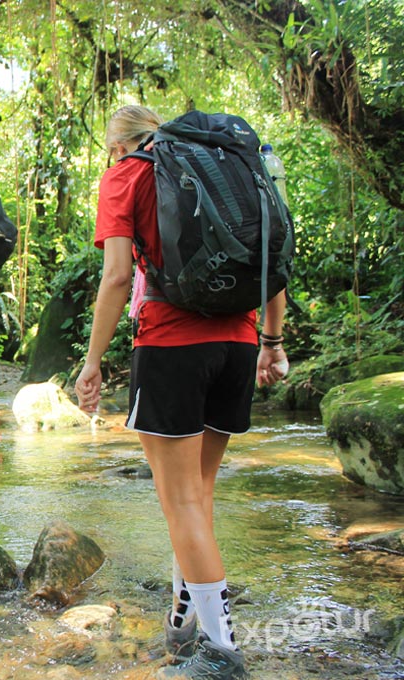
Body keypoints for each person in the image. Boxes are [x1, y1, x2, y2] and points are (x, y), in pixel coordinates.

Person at [74, 105, 288, 680]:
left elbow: (118, 276)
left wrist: (92, 361)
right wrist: (272, 341)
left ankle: (222, 650)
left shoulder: (127, 173)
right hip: (240, 343)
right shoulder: (229, 169)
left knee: (182, 502)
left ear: (117, 145)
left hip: (172, 343)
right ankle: (182, 624)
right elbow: (270, 258)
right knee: (197, 495)